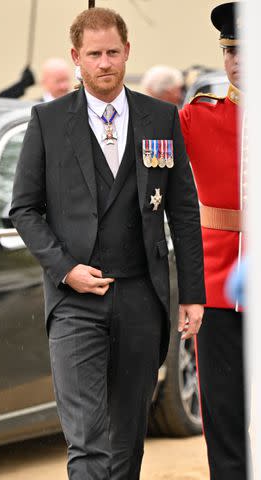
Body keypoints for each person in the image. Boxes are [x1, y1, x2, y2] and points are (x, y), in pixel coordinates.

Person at [10, 7, 205, 479]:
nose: (104, 63)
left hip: (142, 298)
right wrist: (64, 268)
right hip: (75, 302)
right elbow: (23, 209)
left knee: (127, 445)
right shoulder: (48, 121)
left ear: (127, 52)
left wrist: (194, 295)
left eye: (112, 52)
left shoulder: (160, 117)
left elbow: (182, 210)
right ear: (76, 58)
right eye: (93, 54)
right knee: (88, 445)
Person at [179, 2, 248, 479]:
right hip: (219, 285)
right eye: (230, 51)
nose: (238, 60)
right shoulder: (199, 116)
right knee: (223, 410)